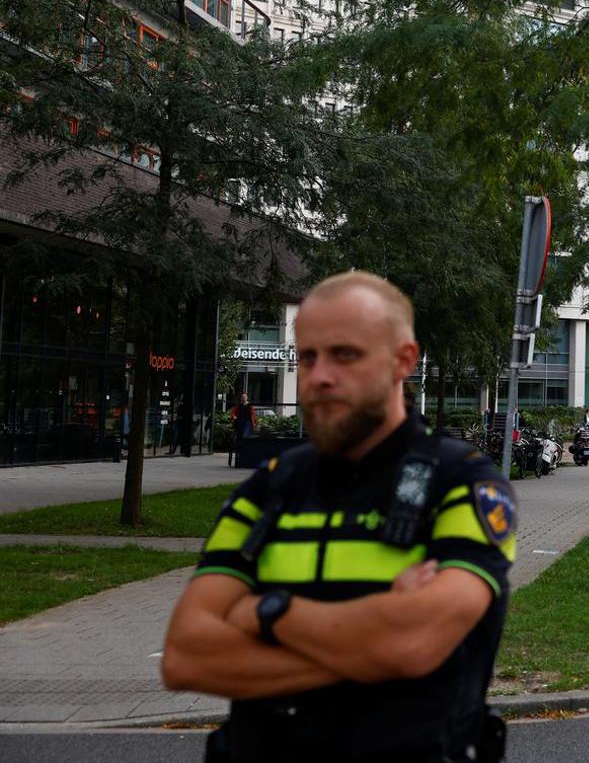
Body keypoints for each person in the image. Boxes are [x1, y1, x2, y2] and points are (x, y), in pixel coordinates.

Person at [161, 271, 516, 762]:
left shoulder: (462, 483)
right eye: (308, 356)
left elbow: (411, 644)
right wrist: (372, 650)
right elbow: (186, 656)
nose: (320, 375)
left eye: (345, 354)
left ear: (403, 361)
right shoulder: (268, 488)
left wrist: (266, 613)